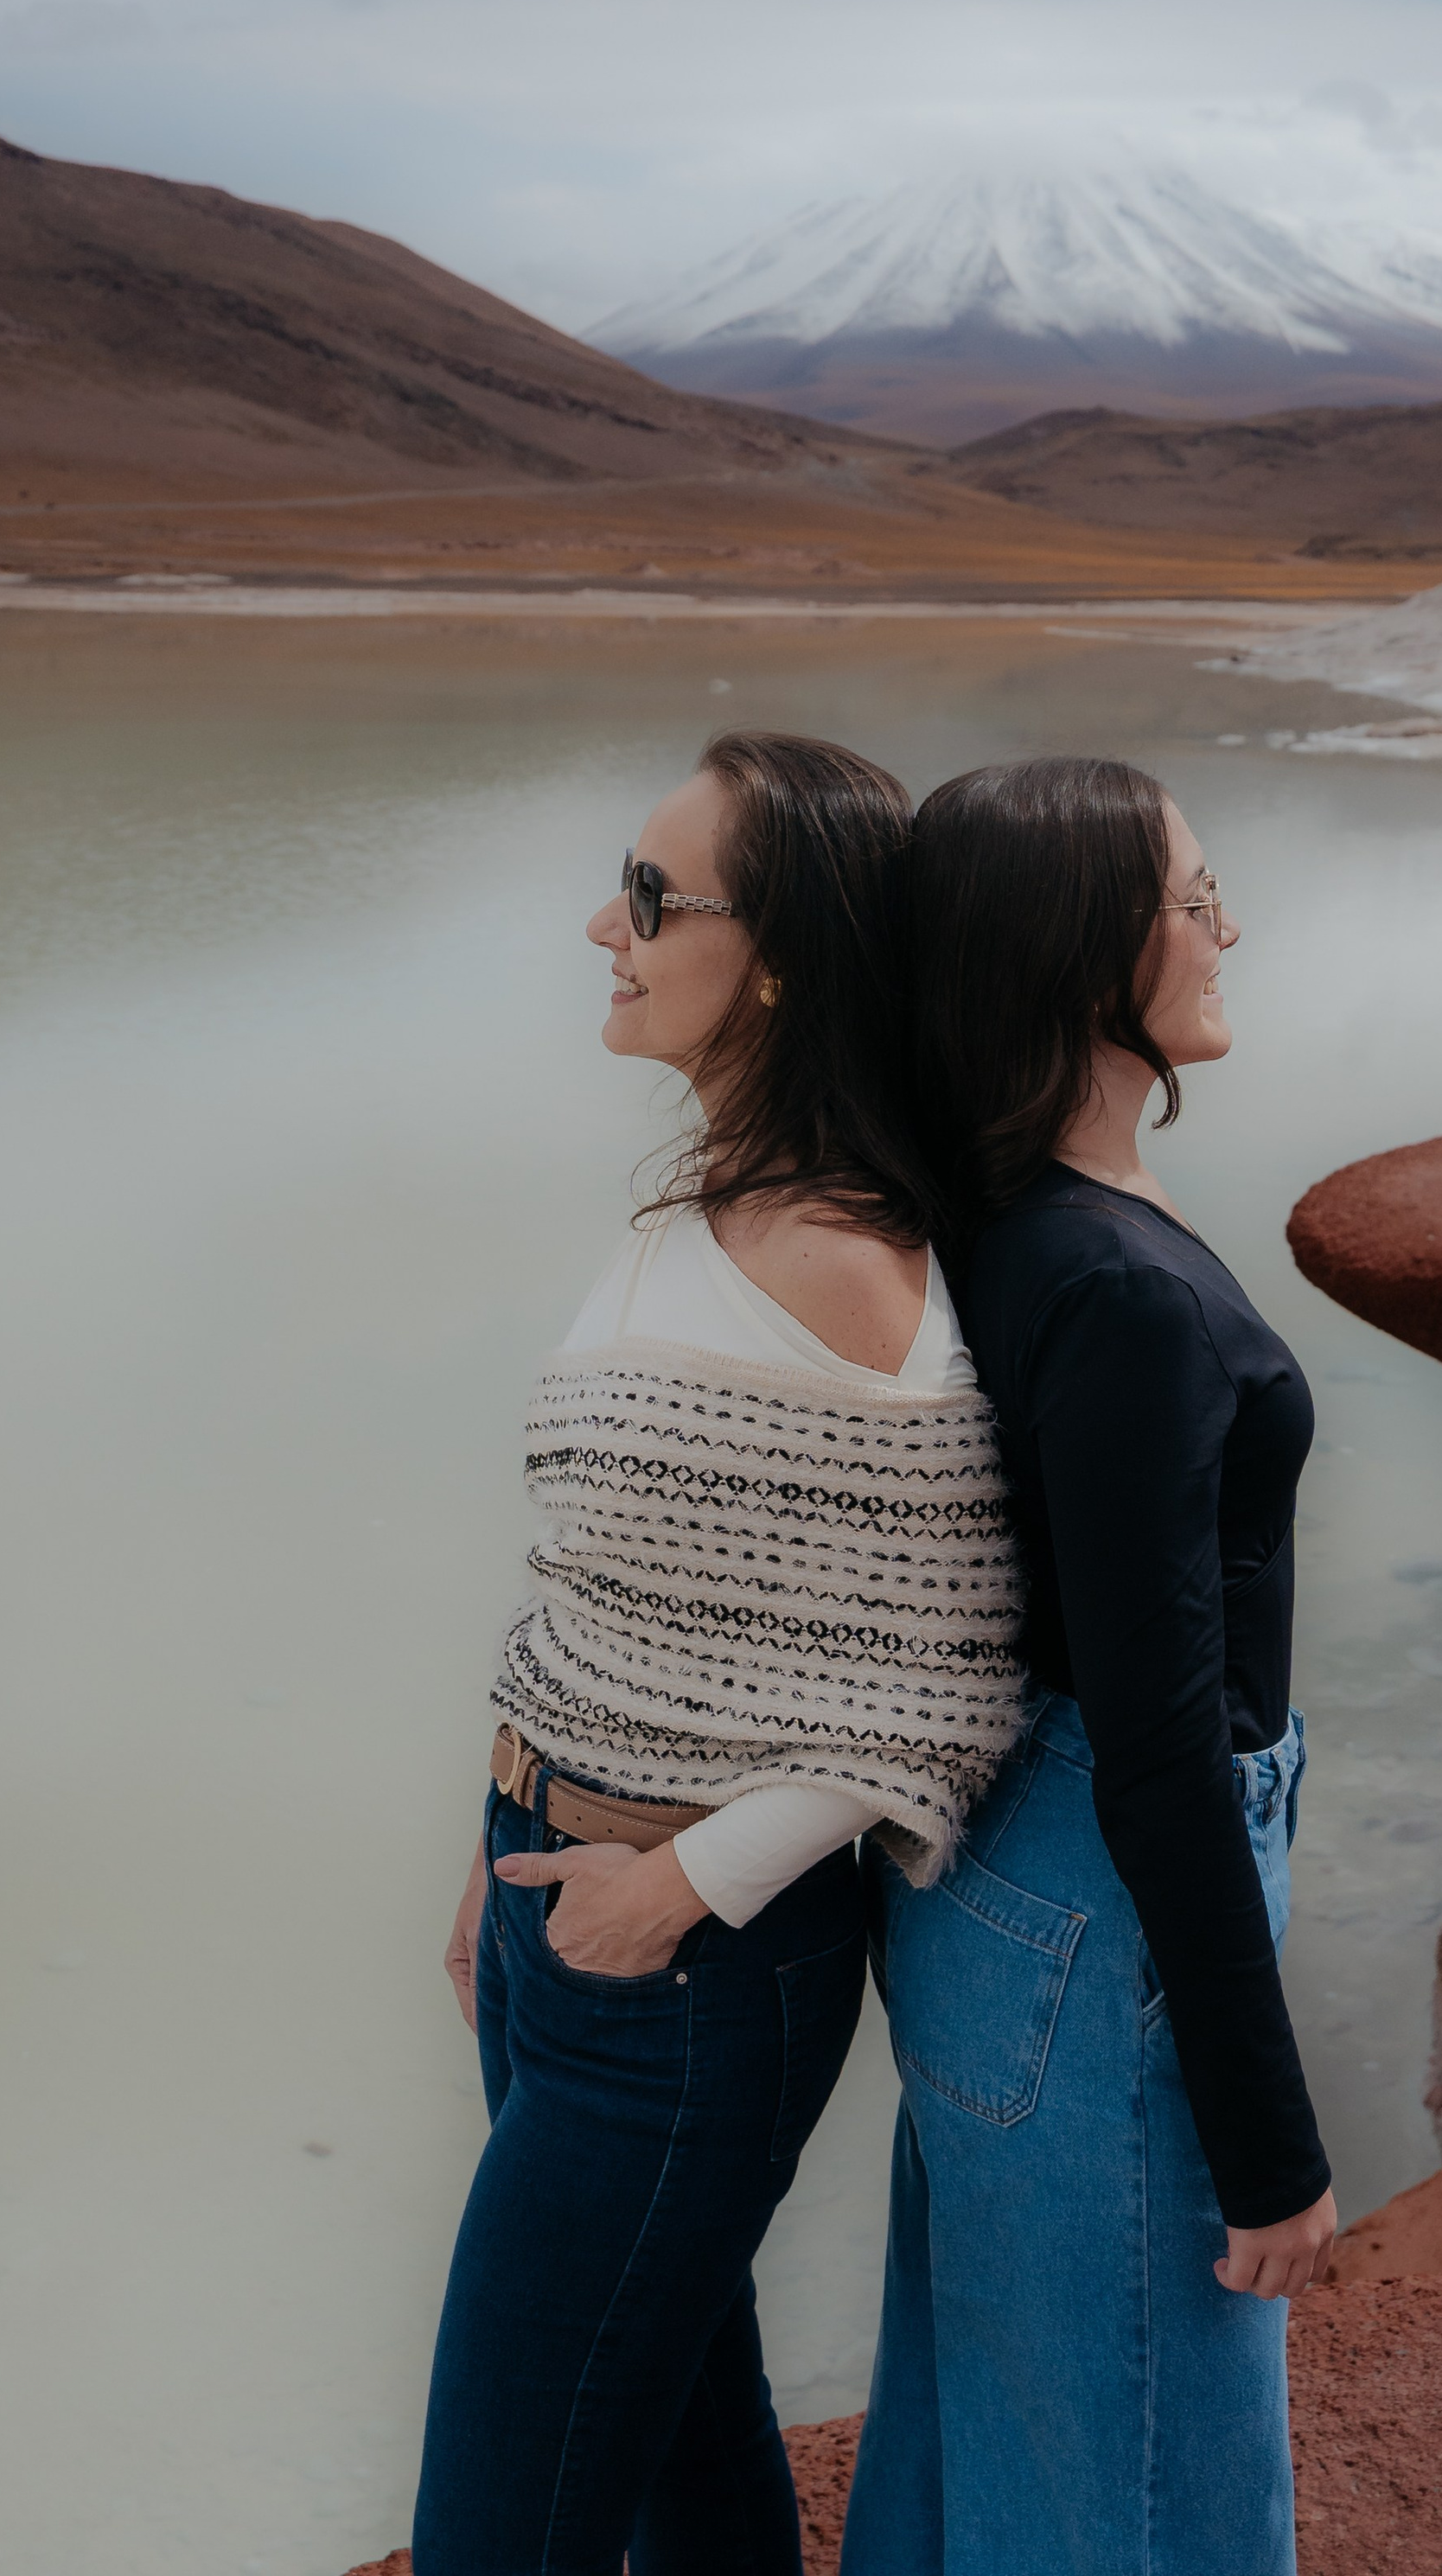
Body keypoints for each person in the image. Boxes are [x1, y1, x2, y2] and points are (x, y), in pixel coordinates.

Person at [412, 730, 1025, 2576]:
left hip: (684, 1972)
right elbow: (594, 1590)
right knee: (682, 2444)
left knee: (497, 2531)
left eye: (654, 896)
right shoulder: (691, 1202)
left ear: (780, 957)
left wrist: (672, 1885)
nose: (606, 921)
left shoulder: (848, 1259)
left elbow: (945, 1677)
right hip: (563, 1914)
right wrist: (494, 1871)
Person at [841, 755, 1335, 2576]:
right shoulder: (1114, 1288)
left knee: (989, 2431)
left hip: (992, 1892)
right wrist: (1268, 2134)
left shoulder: (978, 1221)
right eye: (1190, 896)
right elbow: (1156, 1745)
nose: (1223, 927)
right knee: (1138, 2486)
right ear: (1072, 948)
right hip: (1101, 1894)